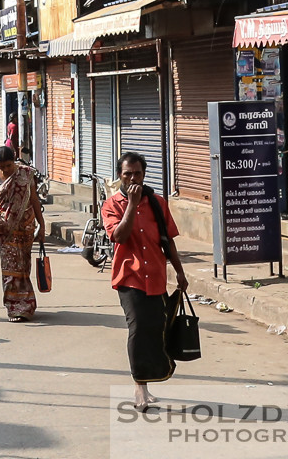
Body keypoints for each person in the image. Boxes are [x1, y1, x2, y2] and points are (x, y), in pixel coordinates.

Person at [103, 151, 189, 412]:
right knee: (138, 327)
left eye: (137, 173)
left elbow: (168, 240)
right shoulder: (112, 205)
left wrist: (180, 271)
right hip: (129, 277)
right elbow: (120, 235)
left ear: (144, 174)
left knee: (155, 329)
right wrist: (131, 203)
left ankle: (149, 379)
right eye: (127, 173)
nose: (132, 178)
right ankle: (140, 385)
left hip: (156, 276)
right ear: (120, 175)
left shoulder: (158, 203)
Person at [0, 146, 46, 321]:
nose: (6, 170)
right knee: (10, 270)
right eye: (2, 166)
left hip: (26, 228)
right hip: (4, 231)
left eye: (8, 166)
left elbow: (34, 200)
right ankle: (14, 307)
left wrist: (42, 225)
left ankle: (27, 305)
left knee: (24, 267)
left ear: (15, 160)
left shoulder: (26, 174)